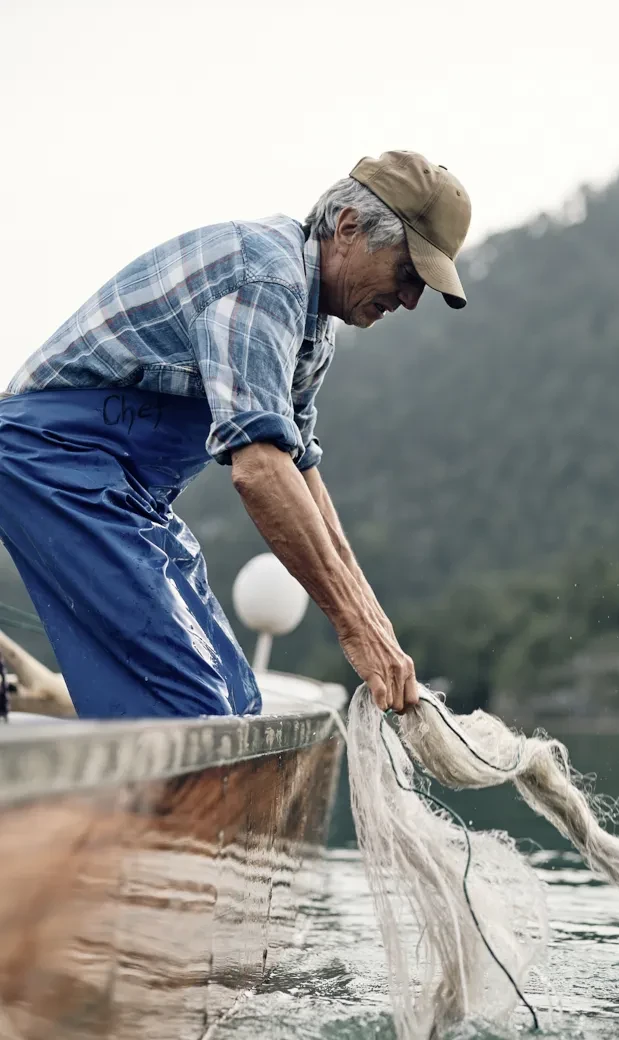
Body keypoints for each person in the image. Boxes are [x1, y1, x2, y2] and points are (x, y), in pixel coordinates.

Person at [0, 150, 471, 721]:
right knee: (188, 708)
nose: (411, 298)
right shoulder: (264, 278)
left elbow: (299, 472)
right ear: (348, 227)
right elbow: (260, 469)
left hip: (126, 493)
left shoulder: (312, 327)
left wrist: (379, 627)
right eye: (407, 272)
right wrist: (354, 629)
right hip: (52, 461)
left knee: (237, 700)